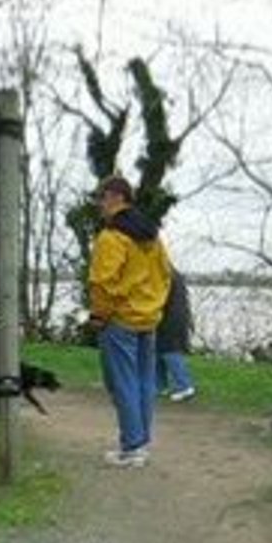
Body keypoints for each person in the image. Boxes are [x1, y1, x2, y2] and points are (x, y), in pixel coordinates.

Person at [88, 175, 171, 468]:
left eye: (101, 198)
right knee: (144, 381)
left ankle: (132, 447)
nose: (99, 204)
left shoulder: (112, 238)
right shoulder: (152, 237)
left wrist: (99, 315)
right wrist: (154, 306)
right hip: (147, 318)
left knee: (121, 382)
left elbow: (102, 283)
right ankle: (140, 443)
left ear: (114, 197)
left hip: (120, 320)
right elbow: (165, 275)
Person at [156, 268, 196, 401]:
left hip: (170, 319)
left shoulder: (164, 273)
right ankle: (159, 386)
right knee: (156, 351)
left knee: (170, 351)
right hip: (173, 317)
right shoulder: (173, 273)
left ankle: (184, 386)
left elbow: (159, 298)